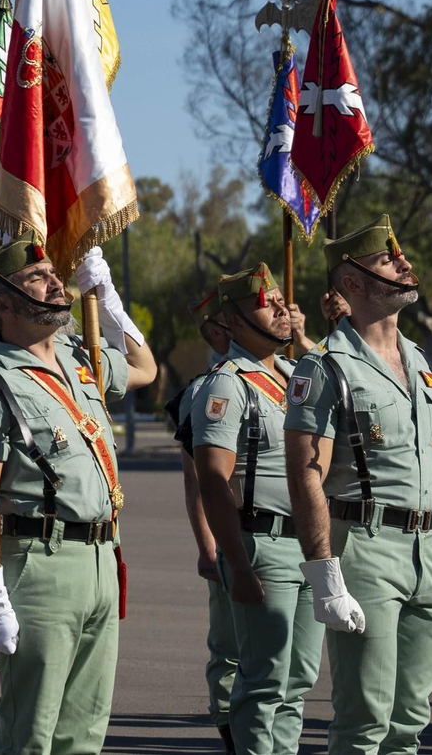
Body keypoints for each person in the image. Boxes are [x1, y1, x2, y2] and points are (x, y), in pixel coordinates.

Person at [284, 215, 432, 754]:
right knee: (364, 719)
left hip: (429, 554)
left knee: (410, 721)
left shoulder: (421, 363)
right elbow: (306, 473)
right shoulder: (325, 367)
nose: (405, 264)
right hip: (366, 552)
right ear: (351, 282)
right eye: (388, 260)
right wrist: (324, 572)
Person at [0, 237, 157, 755]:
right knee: (31, 732)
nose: (55, 282)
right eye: (36, 278)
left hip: (101, 558)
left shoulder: (79, 357)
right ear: (1, 303)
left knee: (84, 732)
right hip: (40, 565)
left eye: (54, 273)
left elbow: (145, 368)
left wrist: (107, 300)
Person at [191, 264, 322, 755]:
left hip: (308, 542)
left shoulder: (295, 374)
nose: (282, 309)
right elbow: (211, 478)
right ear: (235, 320)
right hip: (261, 545)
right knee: (265, 680)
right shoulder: (227, 384)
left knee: (299, 682)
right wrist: (237, 565)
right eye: (267, 303)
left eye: (281, 301)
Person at [167, 288, 240, 754]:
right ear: (217, 331)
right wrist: (206, 544)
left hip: (292, 541)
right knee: (232, 647)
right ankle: (233, 732)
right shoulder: (205, 388)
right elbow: (196, 481)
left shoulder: (293, 375)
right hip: (237, 536)